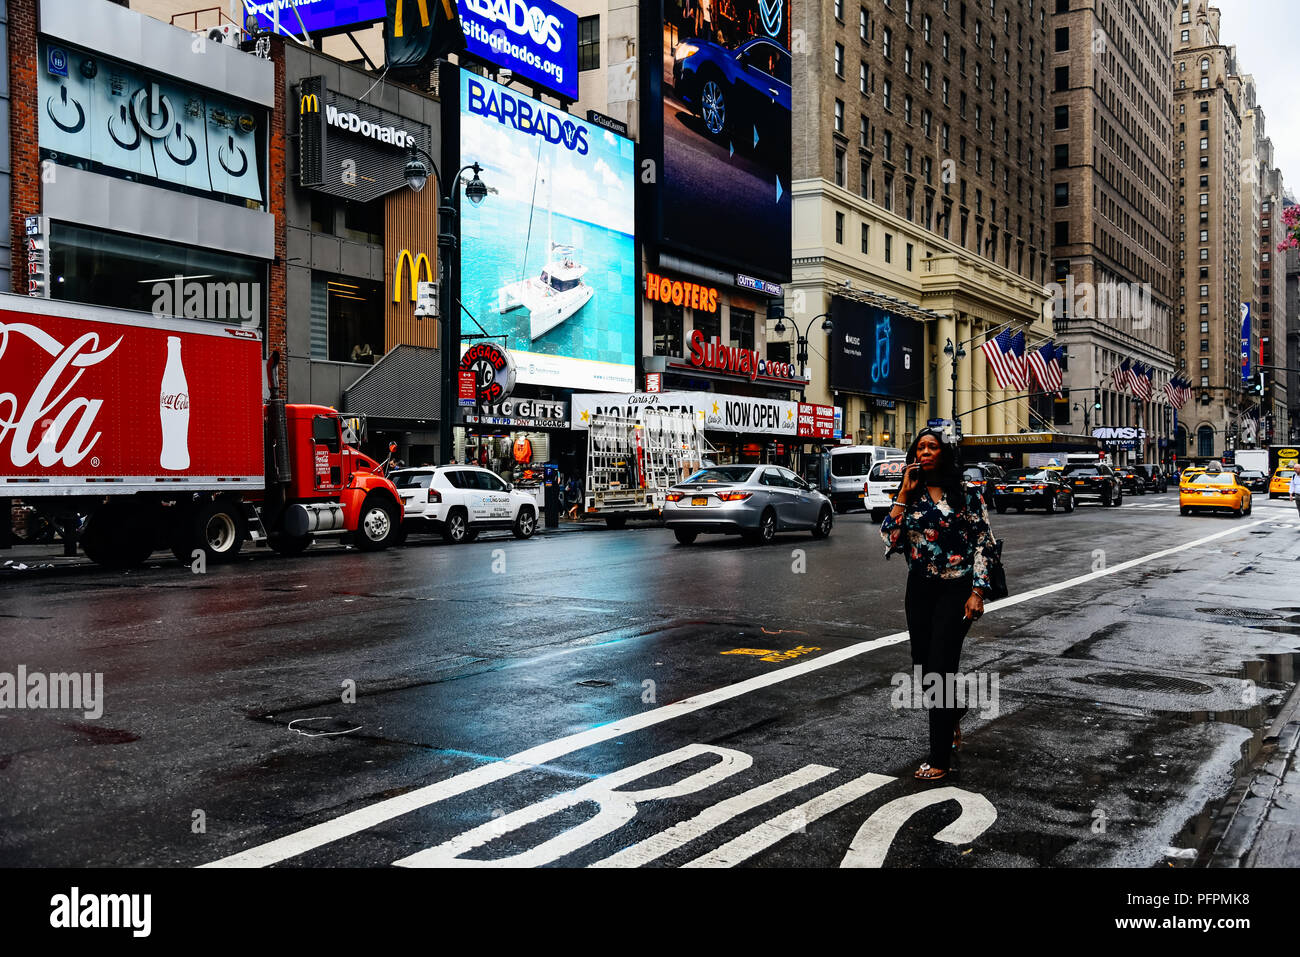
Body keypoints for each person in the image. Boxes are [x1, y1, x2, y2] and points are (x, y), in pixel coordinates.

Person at [880, 428, 998, 782]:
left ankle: (939, 758)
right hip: (919, 590)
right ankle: (955, 710)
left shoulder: (966, 494)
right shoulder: (910, 497)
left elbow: (983, 543)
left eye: (933, 447)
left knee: (940, 667)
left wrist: (978, 591)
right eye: (921, 447)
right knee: (923, 668)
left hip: (956, 590)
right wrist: (903, 491)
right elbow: (889, 539)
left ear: (944, 454)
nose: (927, 451)